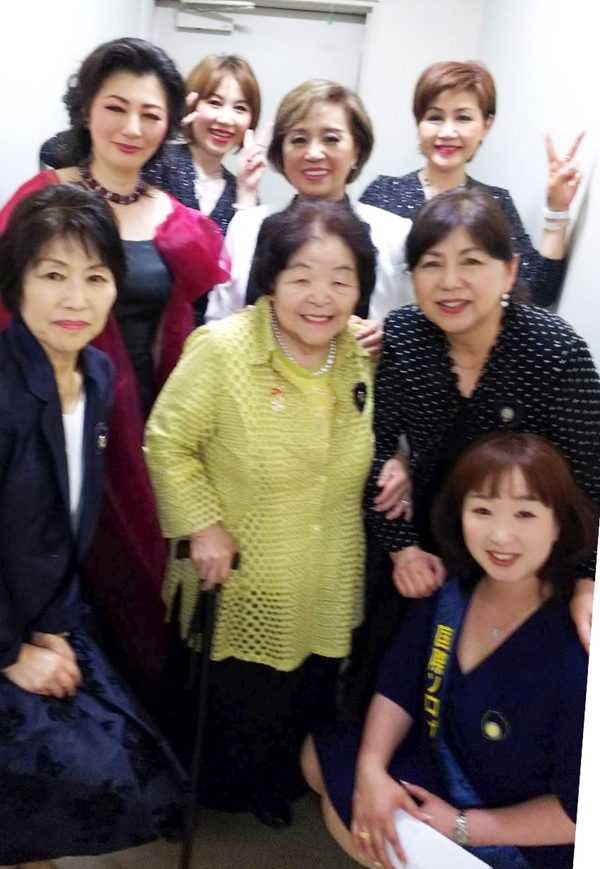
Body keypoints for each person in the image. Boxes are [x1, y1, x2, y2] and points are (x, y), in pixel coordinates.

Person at [144, 200, 406, 828]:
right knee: (229, 702)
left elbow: (392, 432)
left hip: (326, 571)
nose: (321, 297)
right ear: (270, 278)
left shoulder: (361, 355)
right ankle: (206, 795)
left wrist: (402, 462)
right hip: (238, 575)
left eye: (341, 279)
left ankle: (272, 787)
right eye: (301, 277)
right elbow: (166, 440)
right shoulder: (223, 349)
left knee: (302, 694)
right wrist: (202, 524)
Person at [0, 37, 230, 702]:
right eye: (115, 107)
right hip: (46, 417)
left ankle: (122, 716)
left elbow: (189, 332)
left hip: (144, 426)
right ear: (86, 110)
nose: (132, 127)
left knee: (136, 587)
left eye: (151, 114)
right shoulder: (43, 202)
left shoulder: (175, 217)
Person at [350, 187, 599, 713]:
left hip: (522, 553)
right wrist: (401, 548)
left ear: (509, 272)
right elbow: (370, 447)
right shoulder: (404, 336)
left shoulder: (555, 350)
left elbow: (591, 475)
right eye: (431, 264)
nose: (449, 282)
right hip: (424, 541)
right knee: (383, 679)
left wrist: (586, 581)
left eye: (471, 262)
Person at [303, 431, 597, 869]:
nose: (501, 534)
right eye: (482, 510)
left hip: (524, 830)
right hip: (444, 768)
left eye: (525, 513)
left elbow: (582, 813)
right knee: (319, 760)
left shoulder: (578, 642)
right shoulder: (454, 594)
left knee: (355, 821)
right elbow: (398, 688)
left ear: (558, 525)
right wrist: (371, 771)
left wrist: (461, 825)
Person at [0, 184, 186, 867]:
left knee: (135, 771)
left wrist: (52, 623)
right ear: (16, 283)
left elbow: (62, 519)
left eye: (96, 277)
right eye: (52, 275)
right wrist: (12, 653)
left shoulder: (99, 374)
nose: (75, 299)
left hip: (45, 613)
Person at [205, 79, 414, 354]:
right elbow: (216, 322)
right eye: (299, 139)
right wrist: (234, 329)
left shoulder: (393, 235)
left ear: (357, 149)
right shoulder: (247, 226)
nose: (313, 153)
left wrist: (390, 338)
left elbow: (414, 331)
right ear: (281, 152)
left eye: (331, 138)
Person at [360, 61, 583, 307]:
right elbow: (348, 278)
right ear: (419, 122)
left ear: (485, 125)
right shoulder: (383, 192)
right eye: (435, 117)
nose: (447, 132)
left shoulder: (495, 203)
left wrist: (557, 210)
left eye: (463, 118)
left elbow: (536, 292)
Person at [40, 53, 268, 238]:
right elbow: (53, 151)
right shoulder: (152, 157)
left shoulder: (241, 192)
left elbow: (243, 268)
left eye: (240, 108)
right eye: (215, 103)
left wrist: (247, 194)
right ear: (191, 104)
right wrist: (163, 130)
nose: (226, 119)